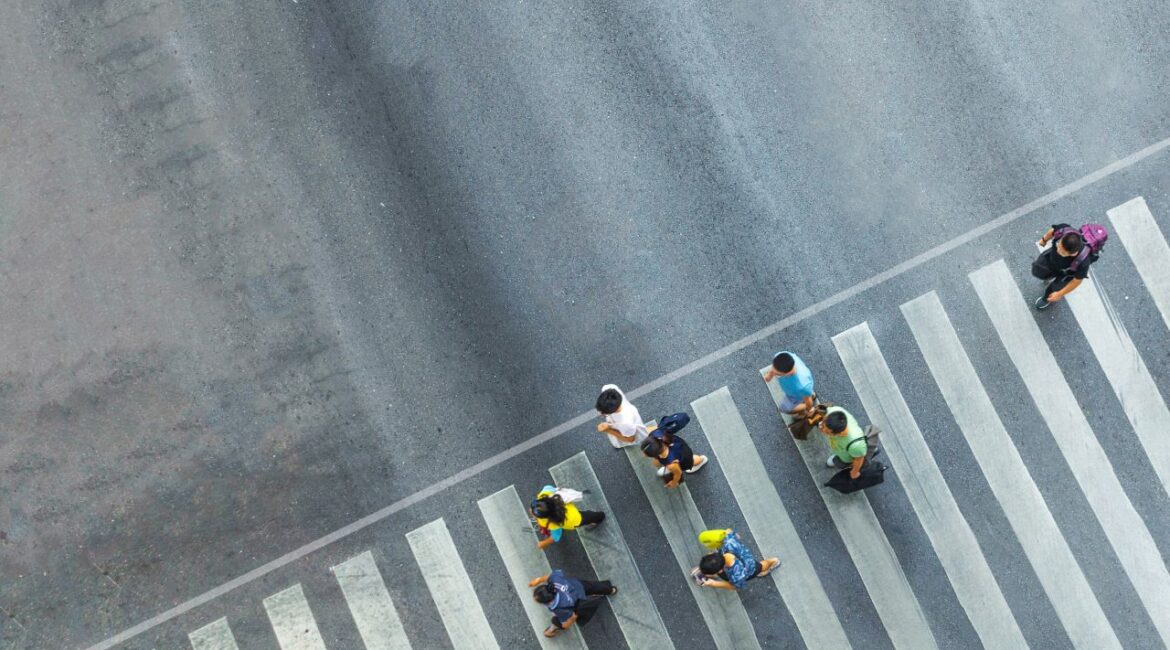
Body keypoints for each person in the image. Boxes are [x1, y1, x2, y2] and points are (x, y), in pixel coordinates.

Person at [529, 569, 617, 637]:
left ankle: (551, 630)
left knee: (558, 621)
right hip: (578, 585)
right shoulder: (554, 581)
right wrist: (539, 580)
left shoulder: (558, 608)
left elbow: (569, 620)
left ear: (549, 601)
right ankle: (610, 589)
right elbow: (549, 576)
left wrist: (566, 624)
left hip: (579, 602)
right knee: (593, 586)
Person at [1031, 223, 1099, 310]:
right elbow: (1052, 231)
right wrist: (1044, 240)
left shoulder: (1083, 262)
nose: (1058, 251)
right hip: (1052, 261)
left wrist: (1059, 294)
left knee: (1054, 290)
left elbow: (1077, 281)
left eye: (1063, 252)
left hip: (1066, 274)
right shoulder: (1063, 230)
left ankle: (1046, 298)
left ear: (1074, 253)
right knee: (1037, 270)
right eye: (1059, 245)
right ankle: (1049, 276)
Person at [695, 529, 779, 591]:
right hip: (742, 555)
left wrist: (713, 583)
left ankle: (773, 561)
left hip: (749, 567)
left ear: (721, 570)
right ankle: (771, 562)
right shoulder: (728, 542)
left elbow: (734, 586)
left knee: (761, 567)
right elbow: (728, 531)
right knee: (760, 566)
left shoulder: (738, 574)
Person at [530, 485, 605, 550]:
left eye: (534, 513)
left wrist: (544, 543)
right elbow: (548, 487)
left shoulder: (552, 523)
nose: (530, 511)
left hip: (575, 519)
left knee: (592, 517)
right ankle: (597, 517)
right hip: (572, 514)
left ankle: (600, 517)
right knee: (588, 515)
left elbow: (556, 536)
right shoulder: (544, 494)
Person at [641, 430, 708, 488]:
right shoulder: (657, 435)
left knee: (692, 461)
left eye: (647, 454)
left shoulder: (672, 464)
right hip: (678, 448)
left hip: (684, 458)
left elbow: (678, 473)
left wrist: (673, 482)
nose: (643, 455)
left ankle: (702, 459)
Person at [761, 351, 816, 417]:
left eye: (777, 374)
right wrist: (770, 375)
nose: (773, 371)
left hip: (796, 395)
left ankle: (805, 403)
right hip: (803, 389)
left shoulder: (802, 386)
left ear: (788, 373)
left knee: (784, 408)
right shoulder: (782, 355)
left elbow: (809, 402)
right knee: (807, 393)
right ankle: (810, 394)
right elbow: (774, 369)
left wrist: (809, 409)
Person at [595, 384, 649, 449]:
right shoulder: (609, 388)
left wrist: (608, 430)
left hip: (628, 430)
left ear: (614, 410)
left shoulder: (626, 424)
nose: (599, 413)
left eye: (605, 413)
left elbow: (630, 439)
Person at [820, 407, 866, 480]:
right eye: (823, 425)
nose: (822, 430)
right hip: (840, 448)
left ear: (840, 433)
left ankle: (839, 461)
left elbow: (858, 459)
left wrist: (854, 472)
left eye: (827, 432)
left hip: (846, 457)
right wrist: (822, 424)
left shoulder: (856, 445)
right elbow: (826, 417)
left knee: (842, 463)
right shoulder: (834, 412)